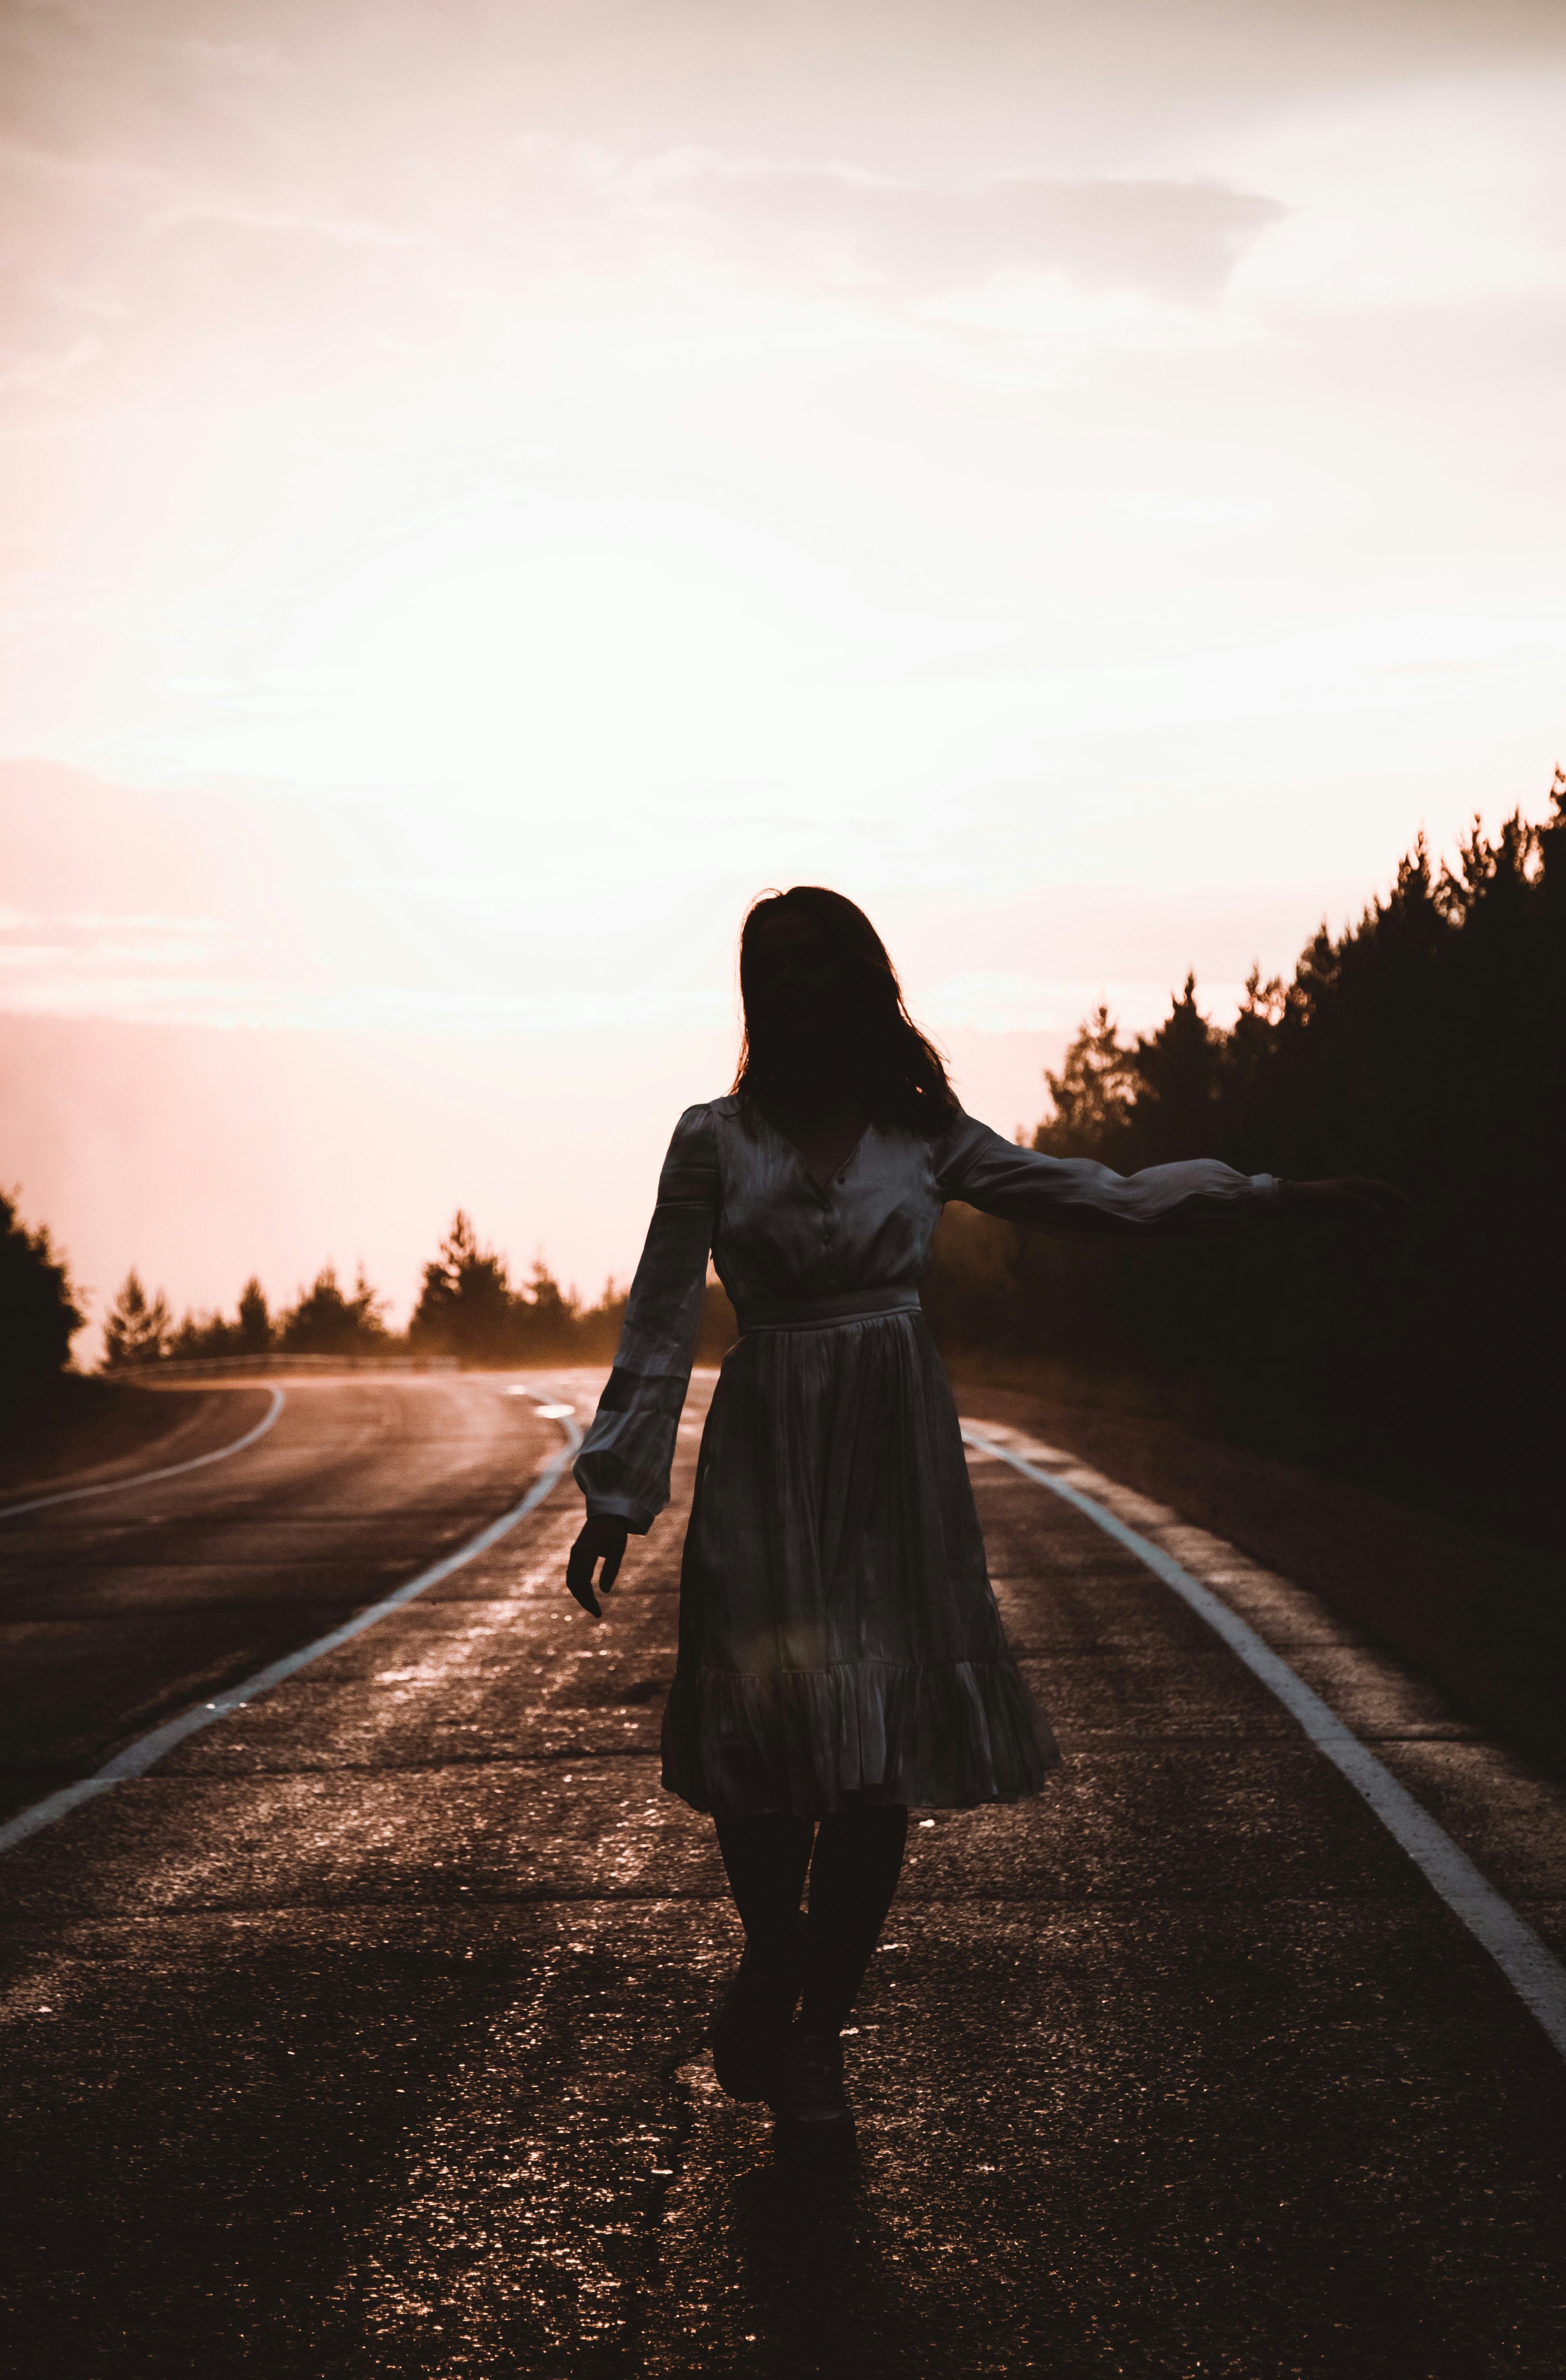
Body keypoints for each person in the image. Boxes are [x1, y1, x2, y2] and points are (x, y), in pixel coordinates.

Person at [566, 886, 1406, 2153]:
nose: (789, 985)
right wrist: (618, 1495)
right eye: (768, 967)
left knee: (875, 1758)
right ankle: (770, 1961)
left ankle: (814, 2040)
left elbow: (1099, 1196)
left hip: (896, 1458)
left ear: (857, 982)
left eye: (812, 964)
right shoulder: (712, 1140)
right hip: (767, 1447)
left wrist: (1268, 1196)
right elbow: (661, 1314)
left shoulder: (924, 1139)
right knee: (765, 1727)